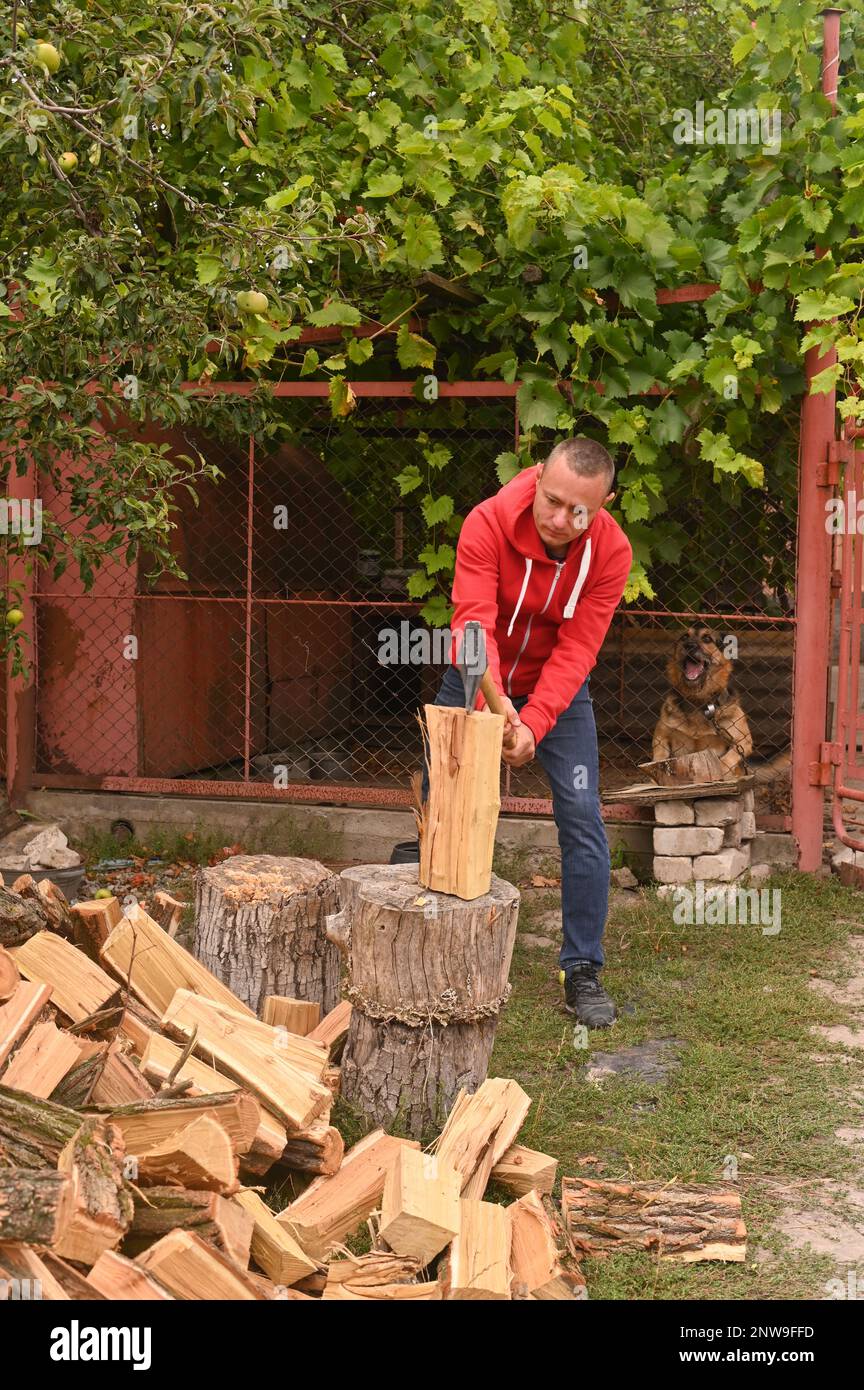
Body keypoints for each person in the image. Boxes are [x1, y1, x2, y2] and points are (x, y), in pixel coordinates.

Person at [434, 437, 632, 1028]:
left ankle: (582, 970)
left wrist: (535, 722)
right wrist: (500, 709)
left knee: (580, 811)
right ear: (538, 475)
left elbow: (578, 650)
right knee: (440, 803)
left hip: (556, 689)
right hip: (477, 675)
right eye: (552, 500)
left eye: (580, 511)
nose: (559, 519)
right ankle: (438, 948)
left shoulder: (612, 552)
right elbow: (473, 628)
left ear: (605, 503)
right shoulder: (488, 522)